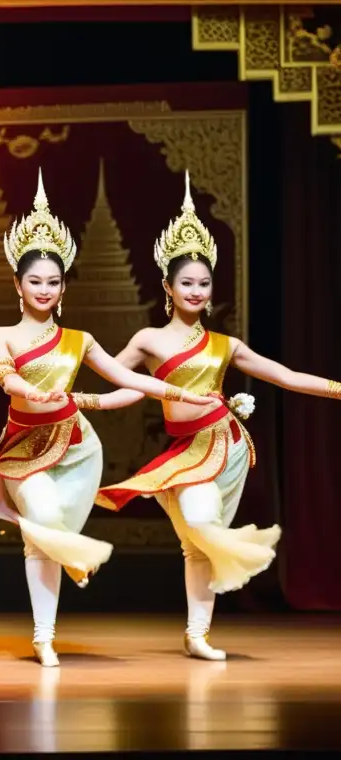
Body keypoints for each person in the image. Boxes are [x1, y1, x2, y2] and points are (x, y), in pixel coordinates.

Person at [0, 171, 218, 667]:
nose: (44, 289)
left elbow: (126, 379)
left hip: (75, 445)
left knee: (41, 539)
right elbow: (7, 378)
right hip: (23, 445)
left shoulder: (79, 339)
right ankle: (55, 605)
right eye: (34, 281)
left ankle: (46, 631)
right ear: (17, 284)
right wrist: (28, 387)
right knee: (42, 521)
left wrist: (174, 389)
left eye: (53, 281)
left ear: (63, 287)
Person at [95, 172, 339, 660]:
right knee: (199, 526)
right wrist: (73, 404)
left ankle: (197, 633)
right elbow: (119, 385)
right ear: (168, 285)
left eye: (204, 284)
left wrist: (337, 388)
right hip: (183, 453)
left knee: (197, 547)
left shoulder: (225, 346)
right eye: (187, 282)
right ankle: (218, 592)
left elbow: (286, 376)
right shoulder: (148, 341)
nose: (197, 291)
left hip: (223, 448)